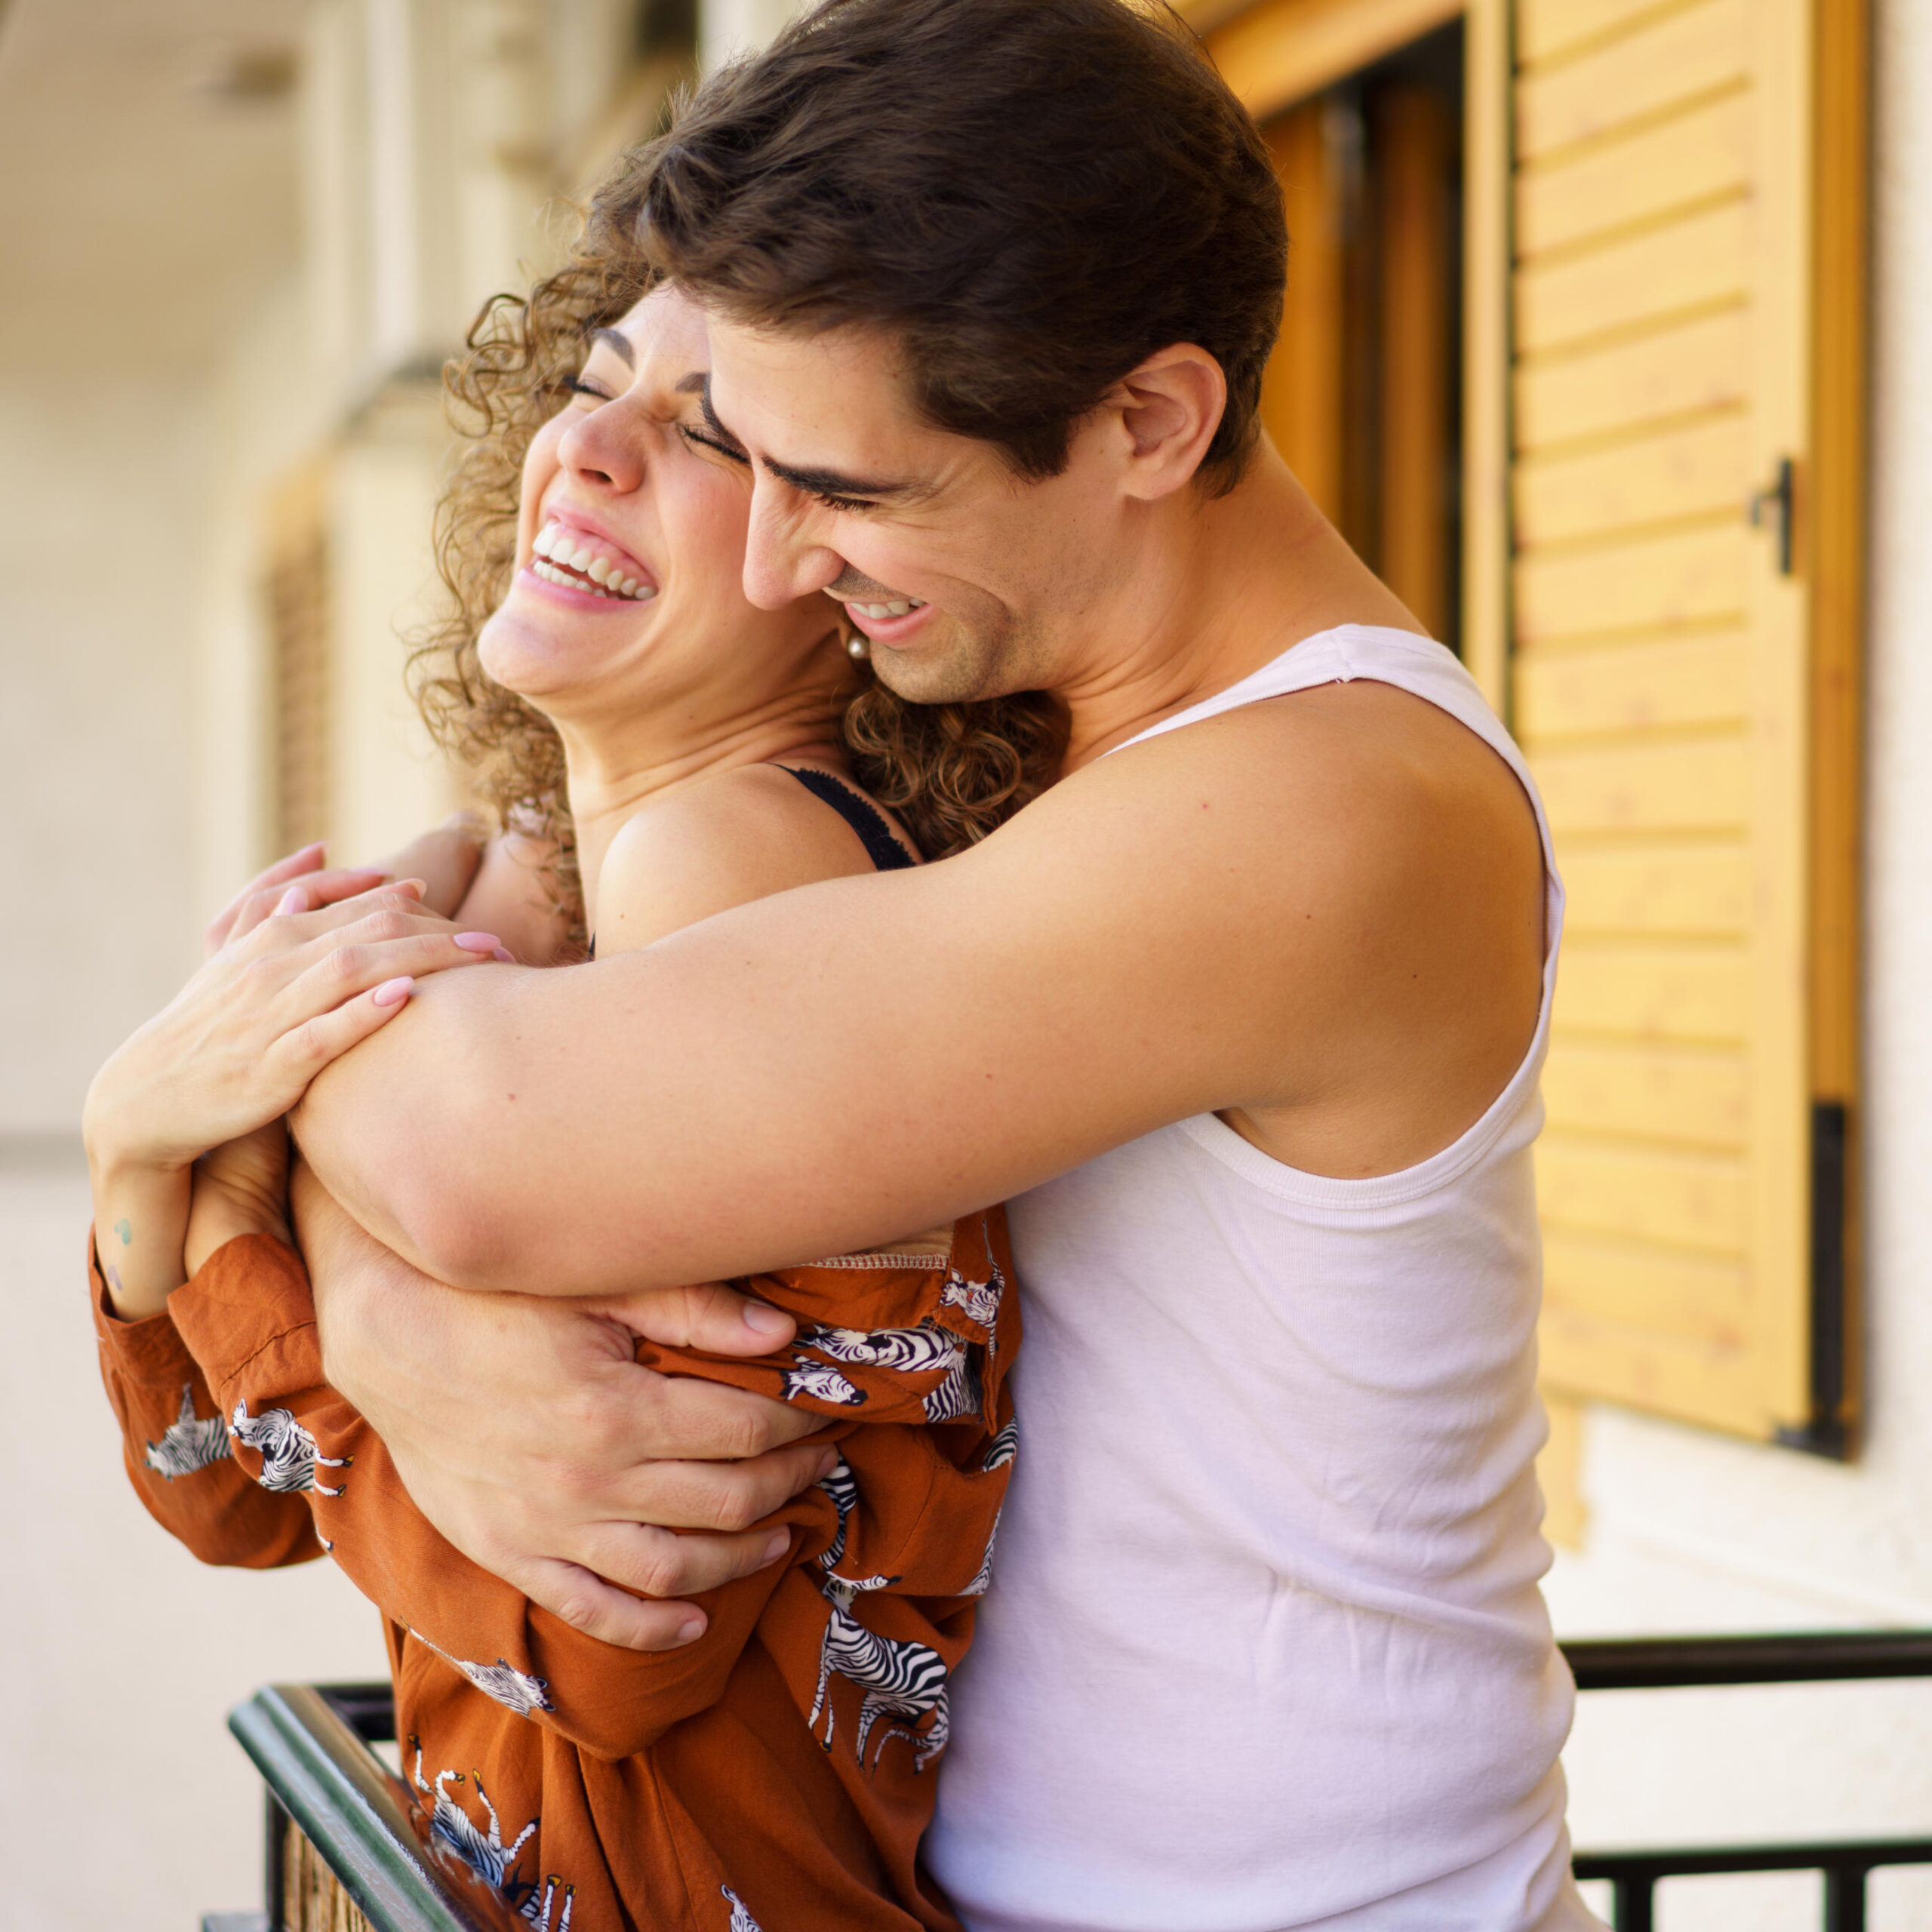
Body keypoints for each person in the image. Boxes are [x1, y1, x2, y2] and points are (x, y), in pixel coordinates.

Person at [260, 0, 1595, 1925]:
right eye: (759, 462)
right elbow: (487, 1037)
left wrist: (281, 1101)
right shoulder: (1056, 727)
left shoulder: (1321, 807)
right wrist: (399, 1323)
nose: (785, 560)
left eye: (851, 491)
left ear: (1151, 422)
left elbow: (482, 1142)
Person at [85, 266, 1056, 1931]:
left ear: (842, 570)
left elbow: (607, 1640)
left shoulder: (746, 870)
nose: (586, 447)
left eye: (704, 429)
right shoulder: (540, 898)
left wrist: (224, 1180)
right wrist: (139, 1177)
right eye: (595, 382)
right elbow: (219, 1485)